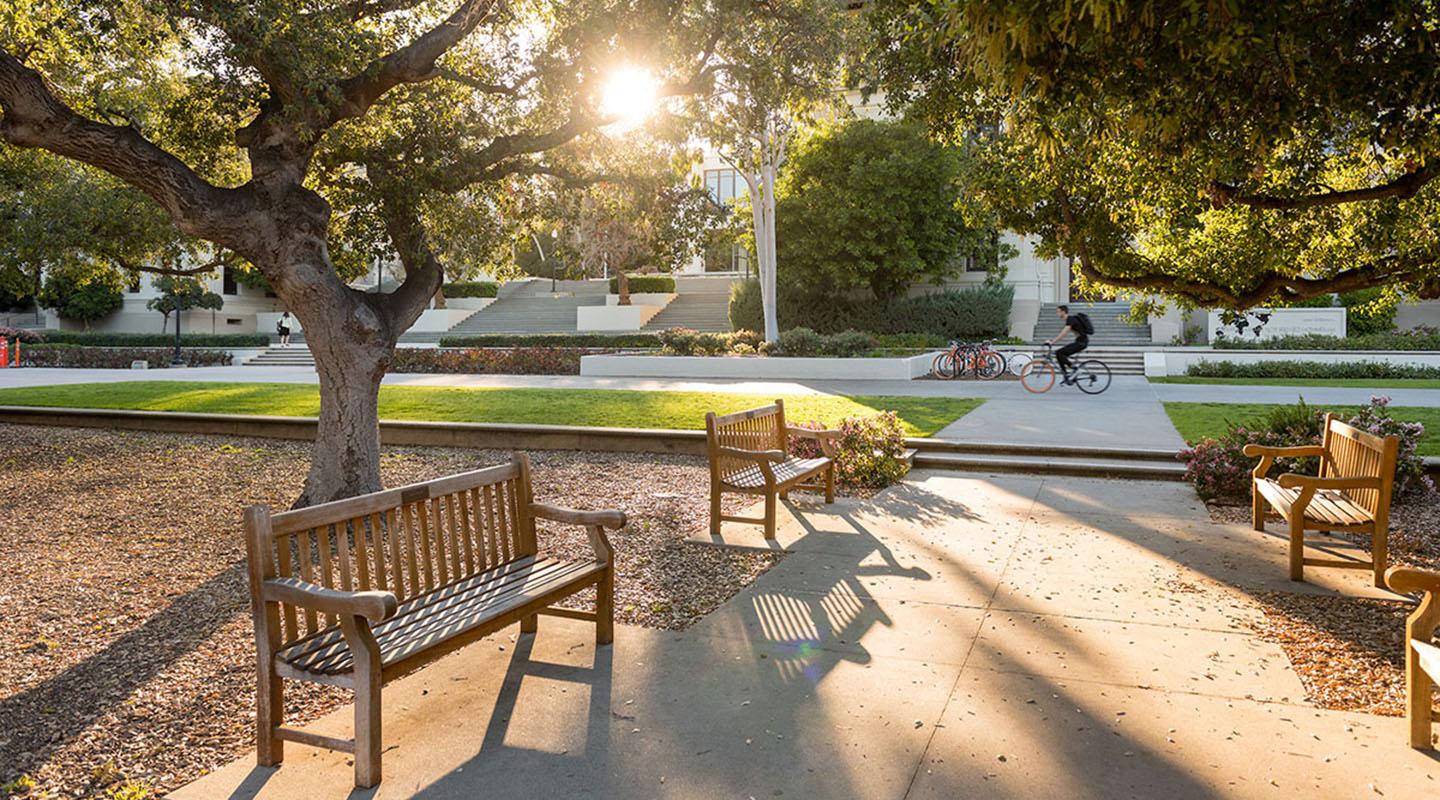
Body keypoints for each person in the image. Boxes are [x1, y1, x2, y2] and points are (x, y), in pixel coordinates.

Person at [1045, 304, 1088, 383]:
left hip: (1081, 343)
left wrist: (1052, 342)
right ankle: (1066, 376)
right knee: (1059, 354)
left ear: (1063, 312)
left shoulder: (1070, 320)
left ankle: (1075, 369)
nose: (1057, 314)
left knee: (1059, 353)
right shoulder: (1070, 320)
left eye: (1058, 312)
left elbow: (1063, 333)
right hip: (1079, 342)